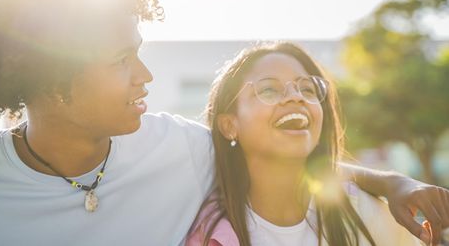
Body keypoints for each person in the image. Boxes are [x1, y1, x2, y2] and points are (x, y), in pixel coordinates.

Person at [0, 0, 447, 245]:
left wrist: (395, 183)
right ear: (52, 81)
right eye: (121, 61)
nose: (144, 76)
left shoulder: (182, 150)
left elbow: (282, 158)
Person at [186, 42, 436, 246]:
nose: (296, 96)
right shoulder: (210, 235)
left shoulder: (369, 216)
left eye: (307, 89)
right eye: (269, 90)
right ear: (230, 126)